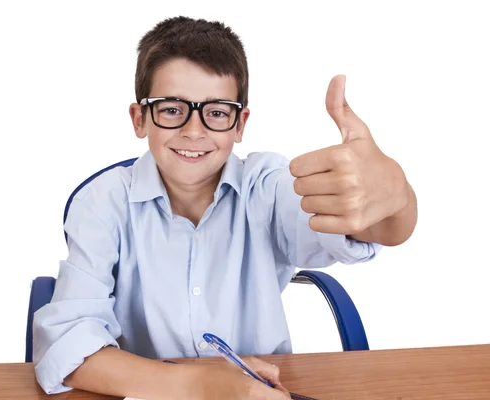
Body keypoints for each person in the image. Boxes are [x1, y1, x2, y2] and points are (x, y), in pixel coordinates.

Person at [32, 15, 417, 399]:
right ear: (140, 118)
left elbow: (367, 226)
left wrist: (395, 196)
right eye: (171, 109)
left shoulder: (266, 187)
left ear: (240, 124)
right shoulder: (102, 203)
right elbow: (66, 348)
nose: (194, 131)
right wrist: (202, 385)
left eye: (216, 112)